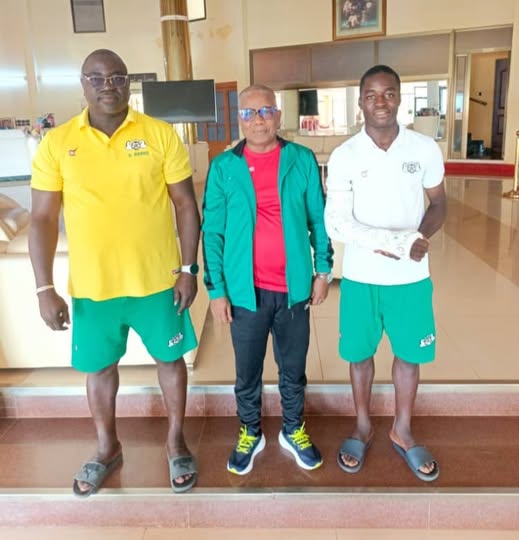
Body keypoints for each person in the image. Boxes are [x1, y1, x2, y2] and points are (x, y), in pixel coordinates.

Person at [29, 49, 201, 496]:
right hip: (93, 286)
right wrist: (44, 287)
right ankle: (107, 448)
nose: (109, 85)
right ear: (83, 84)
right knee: (99, 368)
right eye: (97, 77)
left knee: (171, 360)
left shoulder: (160, 134)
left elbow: (185, 204)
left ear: (129, 83)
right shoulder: (57, 142)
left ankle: (175, 441)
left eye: (118, 77)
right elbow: (42, 218)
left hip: (157, 281)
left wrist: (188, 269)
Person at [202, 84, 333, 475]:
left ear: (277, 115)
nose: (257, 120)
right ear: (238, 119)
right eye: (248, 113)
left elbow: (319, 220)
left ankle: (293, 429)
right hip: (245, 294)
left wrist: (323, 270)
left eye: (265, 111)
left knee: (293, 368)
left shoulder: (300, 159)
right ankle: (250, 431)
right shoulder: (224, 167)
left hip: (293, 290)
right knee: (247, 371)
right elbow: (213, 232)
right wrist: (216, 290)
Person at [325, 64, 446, 482]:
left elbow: (439, 204)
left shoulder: (424, 148)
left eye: (389, 93)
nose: (381, 101)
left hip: (411, 277)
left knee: (409, 355)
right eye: (372, 94)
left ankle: (402, 429)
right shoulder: (345, 156)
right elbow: (337, 222)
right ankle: (362, 425)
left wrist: (419, 238)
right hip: (361, 277)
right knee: (359, 354)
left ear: (399, 98)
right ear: (361, 102)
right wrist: (388, 242)